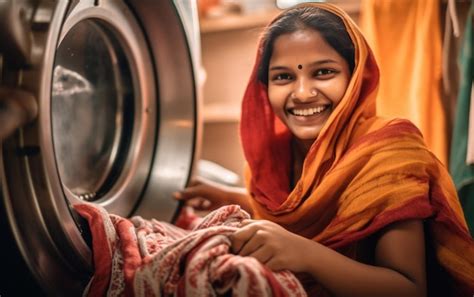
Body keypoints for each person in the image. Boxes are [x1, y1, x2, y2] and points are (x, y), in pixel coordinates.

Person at [174, 3, 474, 296]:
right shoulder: (273, 159)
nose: (303, 93)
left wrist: (305, 254)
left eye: (323, 73)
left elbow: (408, 288)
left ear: (356, 77)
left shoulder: (389, 155)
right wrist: (234, 198)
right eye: (284, 76)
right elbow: (311, 208)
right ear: (264, 86)